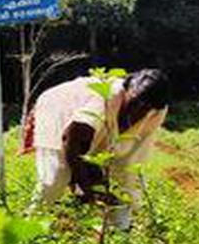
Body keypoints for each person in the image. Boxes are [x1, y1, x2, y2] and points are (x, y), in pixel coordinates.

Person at [21, 69, 170, 228]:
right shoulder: (106, 96)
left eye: (146, 107)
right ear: (127, 91)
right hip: (59, 107)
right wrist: (85, 187)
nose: (139, 110)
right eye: (135, 102)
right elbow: (71, 139)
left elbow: (131, 160)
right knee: (56, 176)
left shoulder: (157, 111)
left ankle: (119, 230)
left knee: (120, 179)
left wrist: (130, 200)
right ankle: (29, 224)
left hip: (90, 128)